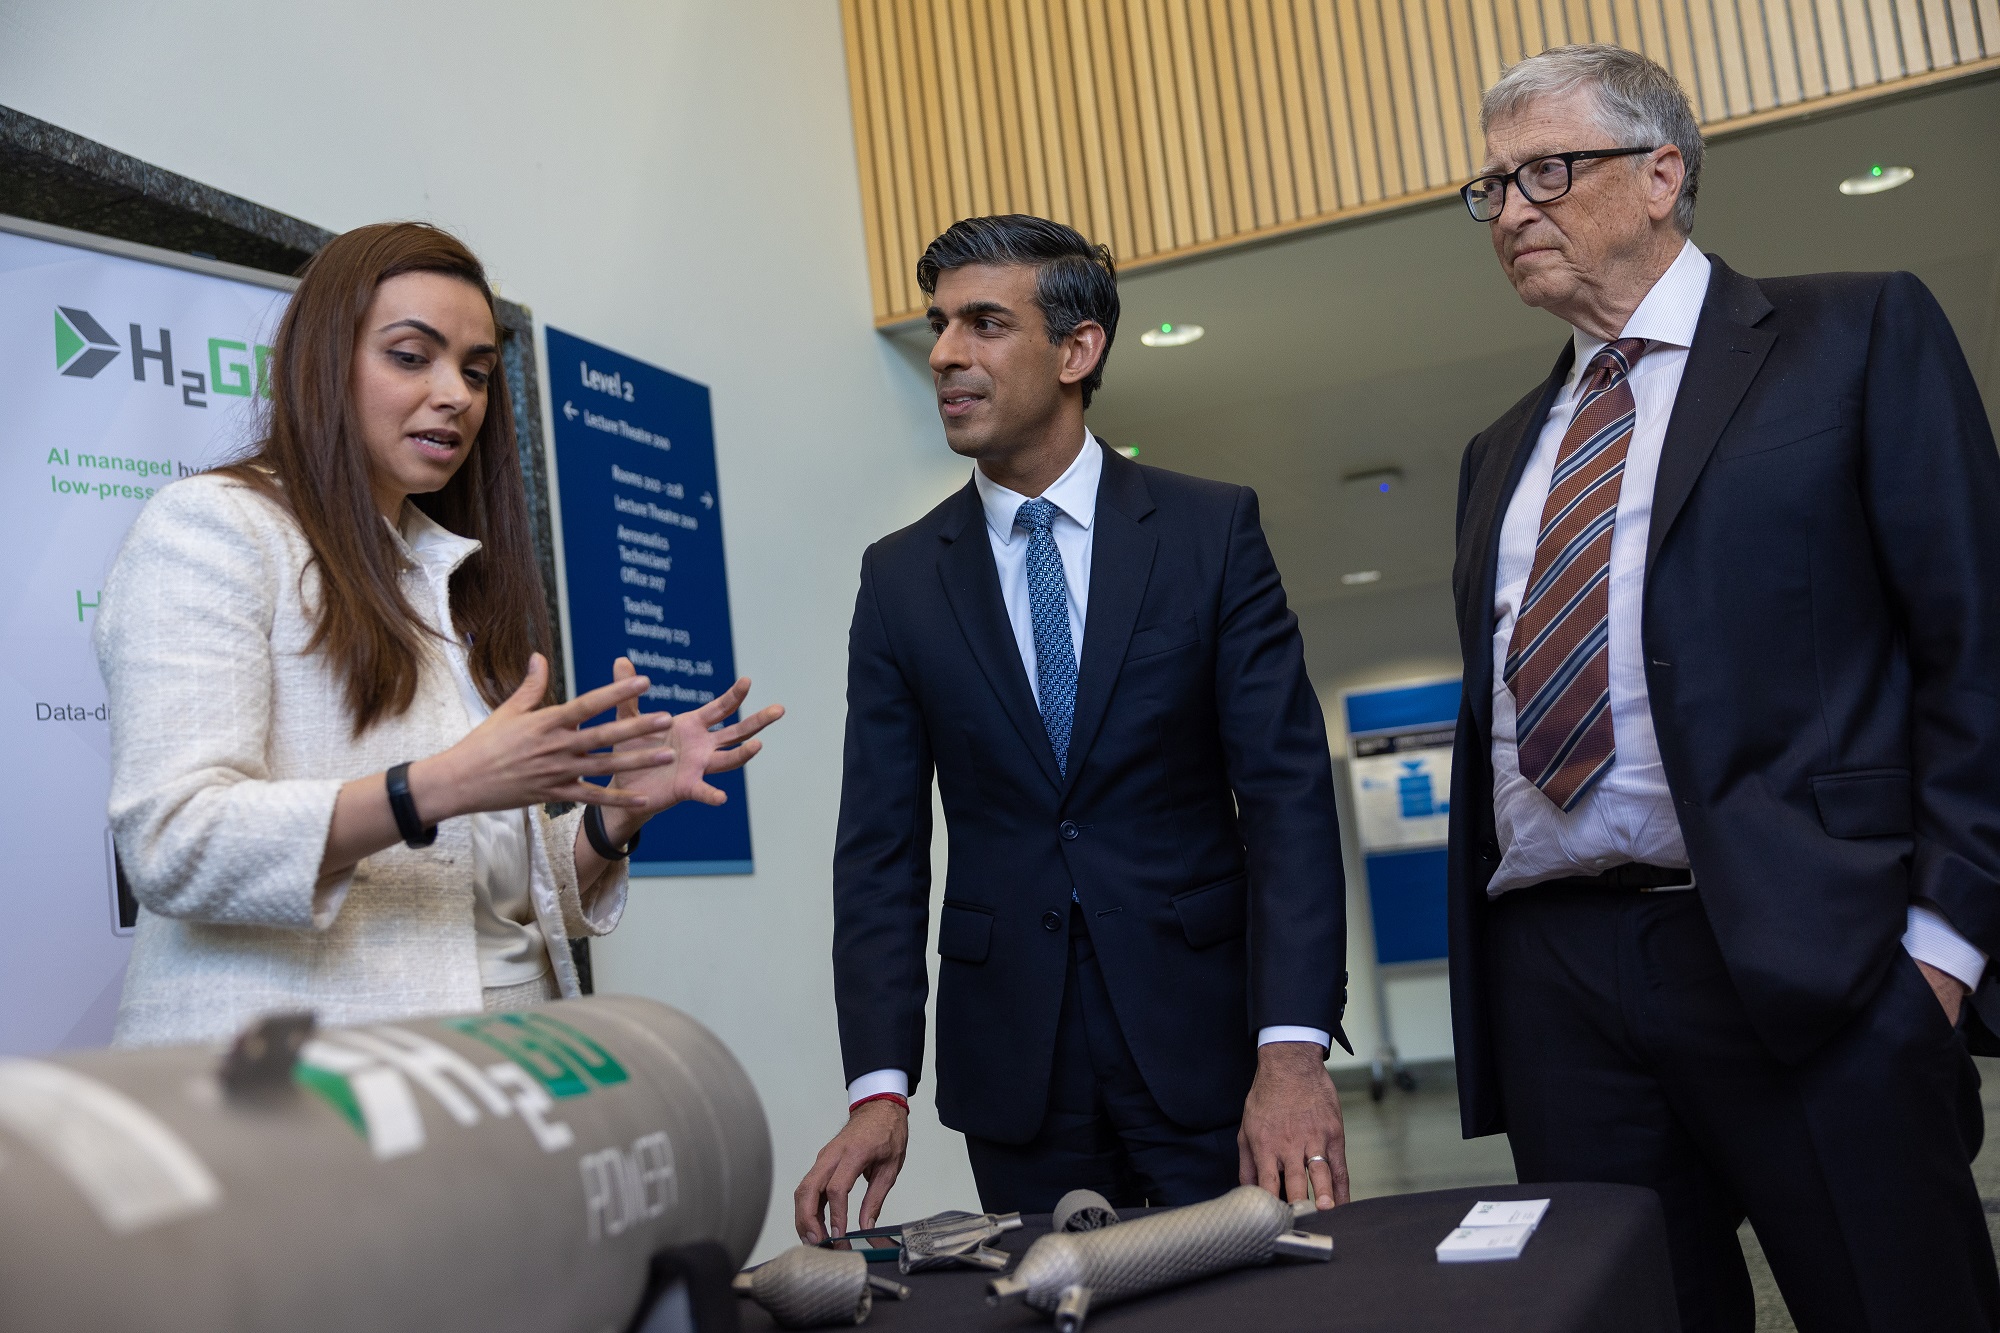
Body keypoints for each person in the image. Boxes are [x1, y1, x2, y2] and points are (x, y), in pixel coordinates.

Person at [1444, 44, 2000, 1332]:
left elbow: (1972, 648)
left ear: (1659, 175)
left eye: (1544, 171)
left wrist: (1941, 949)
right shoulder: (1494, 456)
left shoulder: (1854, 334)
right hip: (1558, 981)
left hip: (1812, 954)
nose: (1512, 210)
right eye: (1492, 188)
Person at [793, 215, 1350, 1244]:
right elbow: (878, 847)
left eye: (984, 323)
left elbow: (1285, 800)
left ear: (1075, 349)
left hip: (1209, 1046)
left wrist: (1291, 1049)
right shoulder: (900, 578)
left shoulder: (1207, 532)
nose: (947, 353)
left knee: (1238, 1314)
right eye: (938, 325)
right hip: (1013, 1066)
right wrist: (878, 1082)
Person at [96, 221, 782, 1046]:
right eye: (411, 356)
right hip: (304, 1089)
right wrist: (438, 785)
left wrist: (617, 817)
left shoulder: (446, 573)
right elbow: (174, 843)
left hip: (499, 1069)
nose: (456, 393)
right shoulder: (212, 529)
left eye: (477, 371)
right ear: (326, 362)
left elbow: (489, 903)